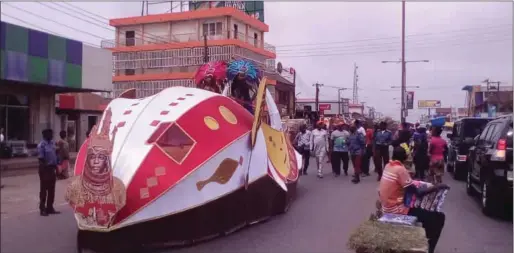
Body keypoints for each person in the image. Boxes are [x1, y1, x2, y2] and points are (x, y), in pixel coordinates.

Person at [379, 146, 449, 253]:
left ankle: (425, 241)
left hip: (387, 207)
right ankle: (429, 249)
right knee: (439, 218)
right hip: (397, 210)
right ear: (405, 157)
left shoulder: (389, 166)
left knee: (427, 215)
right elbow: (419, 193)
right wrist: (437, 187)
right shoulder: (400, 170)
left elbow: (406, 184)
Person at [37, 129, 60, 216]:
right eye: (49, 134)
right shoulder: (41, 145)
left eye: (52, 133)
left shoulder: (53, 143)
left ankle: (50, 207)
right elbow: (41, 159)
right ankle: (42, 208)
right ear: (44, 135)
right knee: (44, 189)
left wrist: (57, 165)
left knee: (51, 189)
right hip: (45, 169)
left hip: (52, 169)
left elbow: (56, 154)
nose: (51, 135)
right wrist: (47, 166)